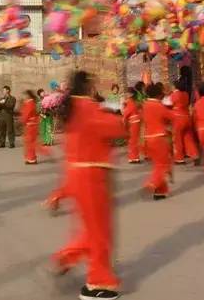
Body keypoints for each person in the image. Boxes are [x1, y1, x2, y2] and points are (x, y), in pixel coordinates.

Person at [51, 71, 124, 300]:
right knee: (100, 232)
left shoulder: (71, 109)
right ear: (88, 87)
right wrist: (115, 114)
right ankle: (97, 283)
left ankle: (68, 255)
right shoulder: (88, 109)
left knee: (91, 227)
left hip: (75, 172)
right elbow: (117, 128)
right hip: (91, 176)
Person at [141, 83, 175, 200]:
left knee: (157, 164)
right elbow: (171, 117)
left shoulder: (145, 105)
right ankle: (152, 182)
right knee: (163, 164)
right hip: (159, 137)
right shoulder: (159, 106)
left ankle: (160, 192)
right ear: (159, 95)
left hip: (148, 138)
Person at [170, 79, 200, 165]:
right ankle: (195, 154)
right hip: (186, 116)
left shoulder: (174, 94)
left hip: (178, 118)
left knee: (177, 139)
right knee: (188, 138)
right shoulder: (186, 94)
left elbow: (170, 103)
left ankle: (179, 158)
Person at [20, 90, 47, 165]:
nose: (24, 97)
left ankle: (32, 159)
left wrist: (23, 121)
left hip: (30, 125)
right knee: (30, 142)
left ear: (28, 95)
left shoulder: (29, 103)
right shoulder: (31, 102)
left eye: (25, 95)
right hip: (32, 124)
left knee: (30, 142)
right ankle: (30, 158)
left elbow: (26, 114)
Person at [122, 87, 142, 164]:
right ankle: (134, 157)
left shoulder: (129, 102)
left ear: (131, 94)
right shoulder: (132, 102)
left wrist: (123, 121)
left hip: (133, 122)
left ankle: (134, 157)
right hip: (135, 121)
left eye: (127, 93)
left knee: (132, 140)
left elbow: (126, 113)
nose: (125, 94)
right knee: (134, 140)